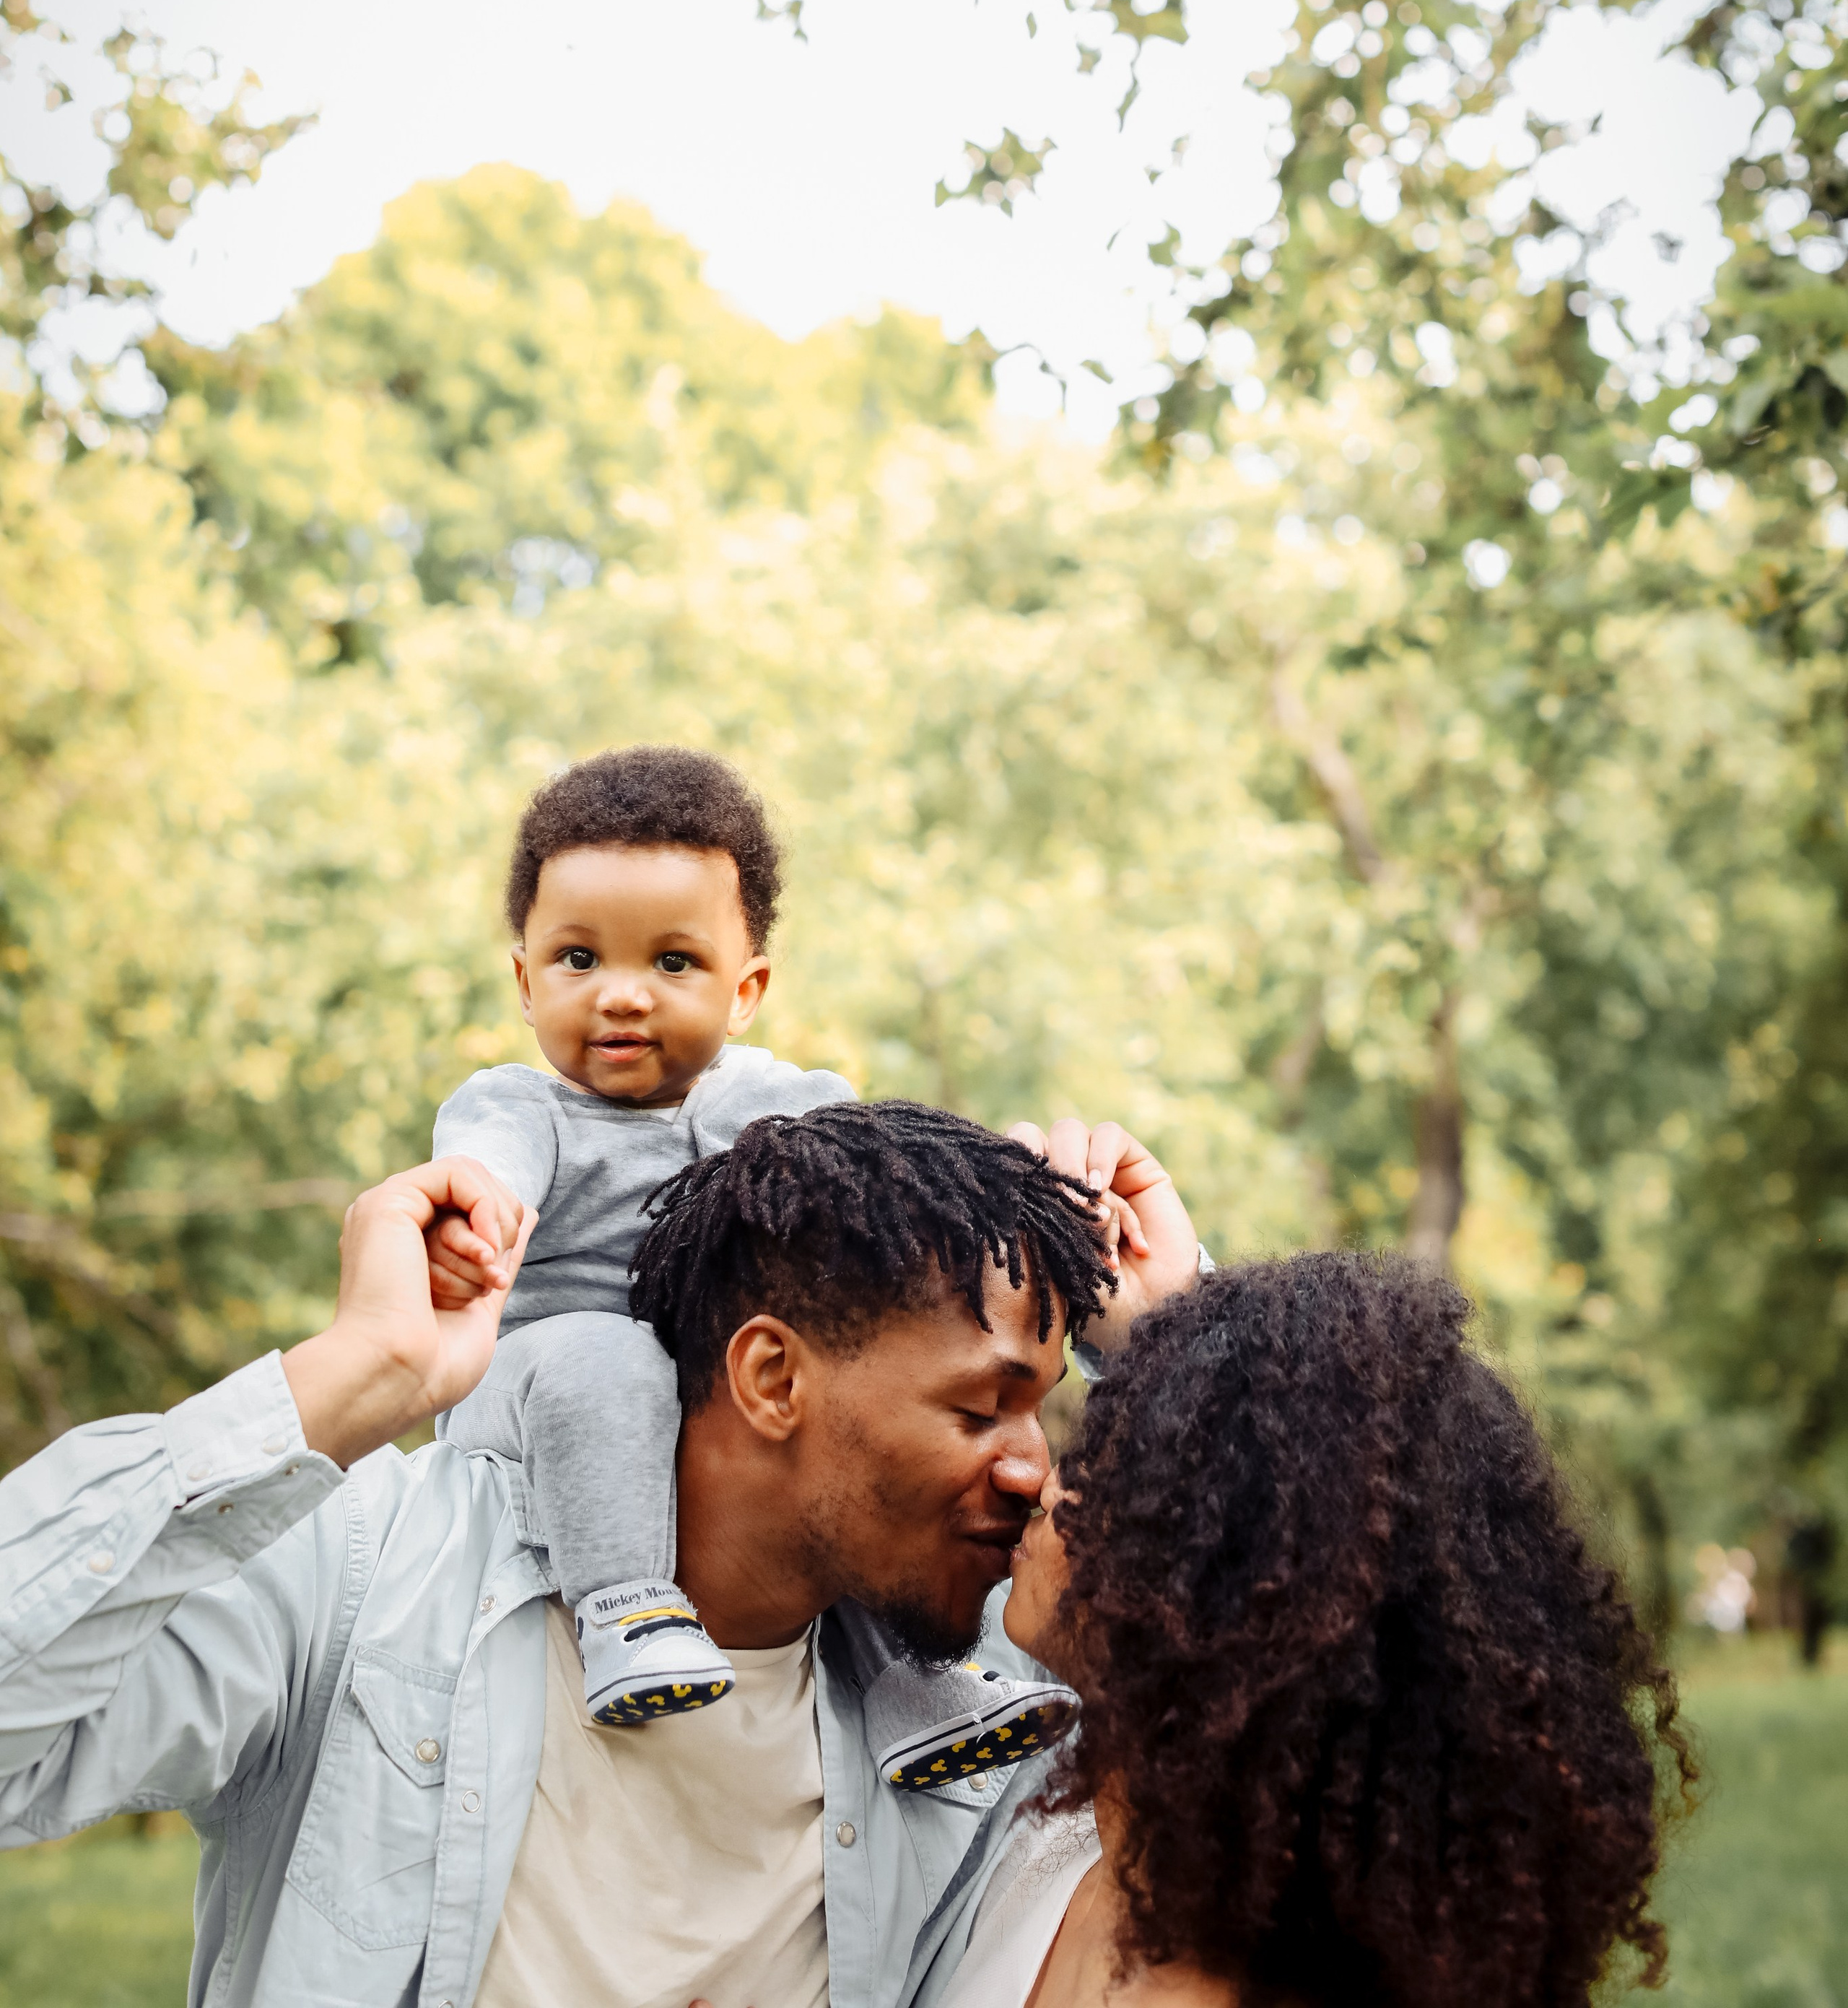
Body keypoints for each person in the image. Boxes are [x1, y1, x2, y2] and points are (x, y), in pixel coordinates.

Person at [0, 1095, 1201, 2008]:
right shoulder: (372, 1579)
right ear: (772, 1379)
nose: (1034, 1468)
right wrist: (357, 1375)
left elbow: (1342, 1739)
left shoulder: (983, 1713)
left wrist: (1187, 1344)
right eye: (984, 1406)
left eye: (1045, 1407)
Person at [932, 1251, 1694, 2008]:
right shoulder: (1075, 1828)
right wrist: (1169, 1317)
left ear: (1216, 1588)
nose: (1044, 1481)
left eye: (1104, 1465)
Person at [425, 744, 858, 1729]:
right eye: (579, 959)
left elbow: (877, 1160)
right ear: (527, 981)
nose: (622, 993)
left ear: (744, 991)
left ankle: (912, 1681)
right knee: (608, 1353)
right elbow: (489, 1168)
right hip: (528, 1398)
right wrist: (475, 1218)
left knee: (850, 1404)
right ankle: (625, 1614)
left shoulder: (771, 1101)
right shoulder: (518, 1107)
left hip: (688, 1404)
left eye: (672, 961)